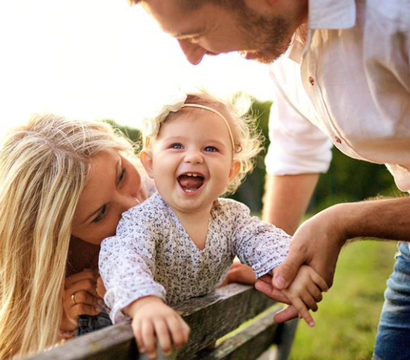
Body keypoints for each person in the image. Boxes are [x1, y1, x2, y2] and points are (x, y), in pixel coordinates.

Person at [131, 1, 410, 359]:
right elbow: (296, 150)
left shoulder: (396, 19)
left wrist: (345, 220)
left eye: (195, 33)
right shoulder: (286, 53)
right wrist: (271, 258)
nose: (193, 57)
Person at [0, 113, 272, 359]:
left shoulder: (166, 198)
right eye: (100, 214)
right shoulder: (54, 281)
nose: (133, 205)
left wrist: (222, 274)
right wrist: (62, 329)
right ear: (61, 238)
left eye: (121, 175)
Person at [99, 90, 328, 359]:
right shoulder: (144, 220)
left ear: (231, 171)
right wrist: (144, 303)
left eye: (210, 148)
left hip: (199, 340)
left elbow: (262, 239)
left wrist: (287, 268)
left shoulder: (232, 218)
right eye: (176, 146)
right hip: (147, 343)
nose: (194, 157)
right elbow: (123, 259)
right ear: (150, 164)